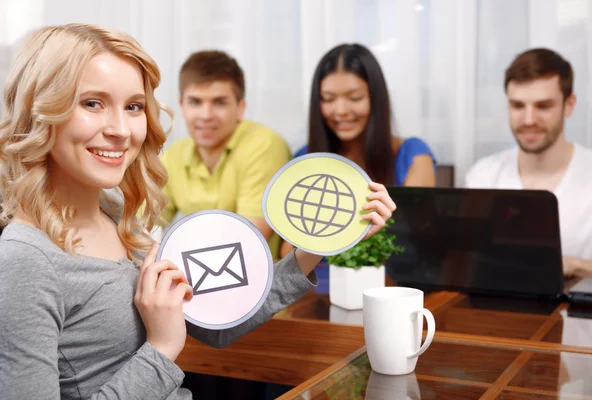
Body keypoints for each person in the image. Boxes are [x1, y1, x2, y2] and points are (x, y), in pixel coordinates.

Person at [0, 24, 396, 399]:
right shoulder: (26, 259)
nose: (121, 129)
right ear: (38, 110)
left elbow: (216, 326)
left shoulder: (118, 214)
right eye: (92, 103)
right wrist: (162, 346)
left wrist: (320, 243)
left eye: (134, 106)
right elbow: (168, 341)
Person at [282, 43, 436, 257]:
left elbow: (414, 241)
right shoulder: (305, 158)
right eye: (328, 99)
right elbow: (288, 250)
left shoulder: (413, 155)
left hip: (389, 282)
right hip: (317, 284)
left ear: (376, 99)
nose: (341, 111)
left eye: (355, 98)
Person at [465, 48, 592, 278]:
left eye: (543, 106)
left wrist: (576, 265)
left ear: (569, 104)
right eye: (517, 106)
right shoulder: (482, 176)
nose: (528, 120)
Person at [160, 50, 290, 259]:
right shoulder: (174, 155)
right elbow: (140, 230)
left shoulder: (263, 144)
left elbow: (248, 241)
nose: (206, 115)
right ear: (182, 105)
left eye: (219, 102)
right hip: (193, 278)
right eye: (195, 102)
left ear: (240, 107)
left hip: (258, 285)